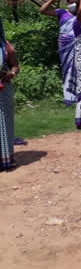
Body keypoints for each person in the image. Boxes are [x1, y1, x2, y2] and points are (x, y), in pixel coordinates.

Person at [40, 0, 81, 128]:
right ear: (67, 3)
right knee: (69, 71)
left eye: (75, 2)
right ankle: (71, 96)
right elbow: (43, 10)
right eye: (70, 2)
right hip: (66, 46)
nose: (73, 5)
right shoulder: (61, 13)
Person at [0, 15, 20, 170]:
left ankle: (6, 157)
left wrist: (11, 74)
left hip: (3, 89)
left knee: (4, 123)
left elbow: (15, 65)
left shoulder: (4, 46)